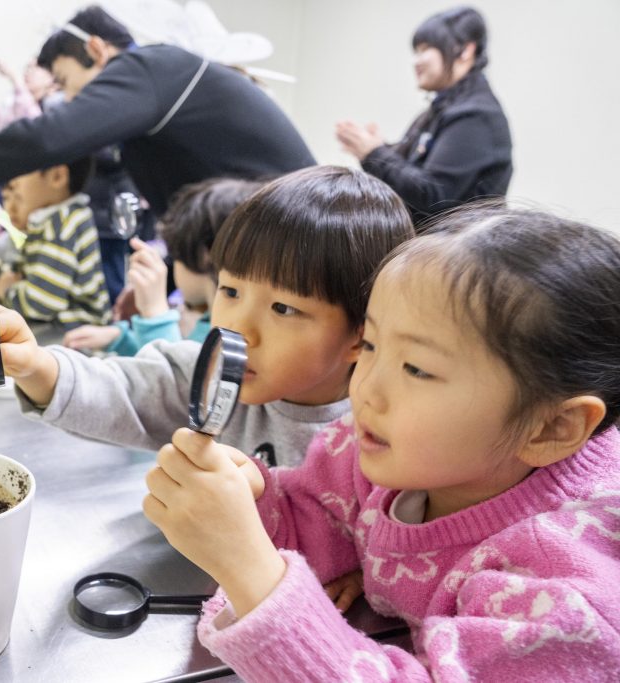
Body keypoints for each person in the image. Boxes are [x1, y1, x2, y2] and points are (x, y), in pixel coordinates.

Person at [145, 204, 620, 680]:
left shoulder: (565, 596)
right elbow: (321, 514)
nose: (366, 389)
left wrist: (249, 565)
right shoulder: (372, 450)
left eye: (416, 368)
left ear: (551, 428)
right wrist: (253, 494)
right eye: (371, 346)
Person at [0, 166, 414, 469]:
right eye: (230, 291)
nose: (238, 328)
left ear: (361, 334)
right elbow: (123, 393)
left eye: (284, 309)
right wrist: (37, 366)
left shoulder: (376, 435)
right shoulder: (208, 375)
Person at [0, 6, 316, 219]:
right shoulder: (151, 89)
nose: (69, 100)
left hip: (295, 221)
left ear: (96, 49)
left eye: (66, 81)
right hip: (273, 220)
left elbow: (49, 137)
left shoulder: (143, 68)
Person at [335, 6, 512, 227]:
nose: (416, 61)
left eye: (426, 49)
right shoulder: (443, 108)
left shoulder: (475, 115)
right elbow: (414, 169)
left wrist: (374, 152)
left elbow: (434, 195)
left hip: (457, 255)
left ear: (465, 50)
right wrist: (379, 148)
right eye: (416, 52)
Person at [63, 177, 263, 355]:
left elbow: (178, 381)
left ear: (204, 256)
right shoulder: (208, 320)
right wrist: (119, 339)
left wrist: (155, 313)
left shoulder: (226, 334)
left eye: (176, 256)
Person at [0, 156, 110, 328]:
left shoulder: (61, 225)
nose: (14, 178)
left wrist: (6, 286)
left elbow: (38, 304)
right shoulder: (55, 219)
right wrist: (4, 278)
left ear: (57, 177)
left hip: (74, 335)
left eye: (23, 168)